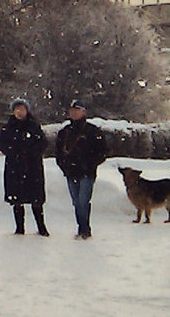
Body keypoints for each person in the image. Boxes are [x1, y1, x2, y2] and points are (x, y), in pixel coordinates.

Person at [55, 99, 108, 239]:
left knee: (83, 201)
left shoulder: (92, 131)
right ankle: (82, 227)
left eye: (77, 110)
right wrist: (64, 166)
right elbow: (58, 152)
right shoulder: (64, 132)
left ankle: (84, 229)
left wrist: (90, 164)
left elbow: (103, 151)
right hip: (71, 172)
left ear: (83, 112)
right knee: (76, 202)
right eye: (72, 110)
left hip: (87, 172)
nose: (74, 113)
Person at [0, 98, 48, 236]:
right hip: (15, 166)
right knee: (16, 198)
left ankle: (41, 226)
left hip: (32, 167)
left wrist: (31, 152)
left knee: (36, 198)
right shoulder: (8, 127)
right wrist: (13, 152)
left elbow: (42, 143)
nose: (19, 112)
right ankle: (19, 227)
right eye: (17, 109)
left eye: (22, 109)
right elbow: (2, 144)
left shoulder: (34, 126)